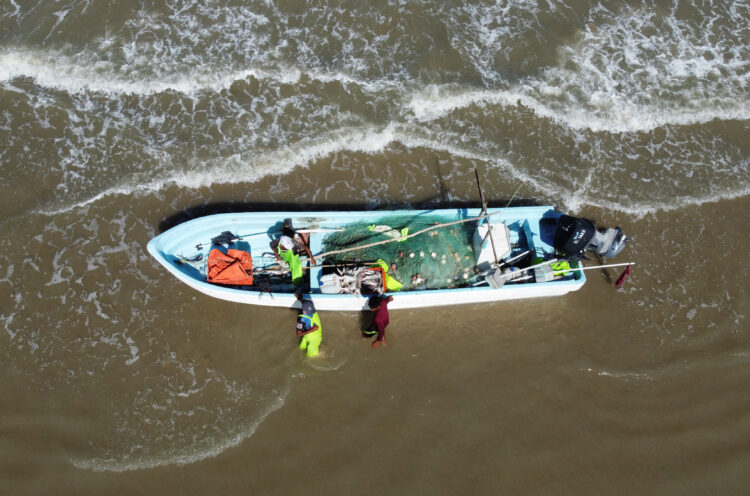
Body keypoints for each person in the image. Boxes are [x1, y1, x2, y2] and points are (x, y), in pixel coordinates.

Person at [270, 220, 316, 286]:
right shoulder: (279, 240)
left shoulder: (293, 243)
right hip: (283, 255)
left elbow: (305, 247)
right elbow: (271, 245)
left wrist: (312, 258)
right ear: (282, 245)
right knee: (282, 262)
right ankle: (288, 226)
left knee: (297, 272)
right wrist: (277, 256)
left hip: (293, 257)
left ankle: (297, 284)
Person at [295, 293, 322, 357]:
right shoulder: (313, 311)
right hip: (315, 338)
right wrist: (312, 330)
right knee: (310, 355)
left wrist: (298, 297)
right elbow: (306, 304)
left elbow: (299, 333)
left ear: (304, 311)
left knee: (302, 348)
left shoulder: (301, 320)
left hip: (308, 336)